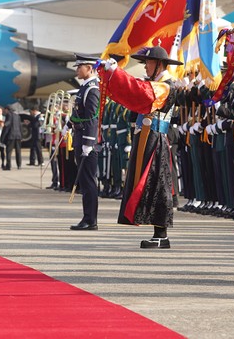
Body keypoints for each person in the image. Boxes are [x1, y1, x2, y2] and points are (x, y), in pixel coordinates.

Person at [101, 46, 181, 248]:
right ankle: (158, 233)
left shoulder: (166, 86)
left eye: (149, 63)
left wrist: (117, 73)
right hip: (148, 137)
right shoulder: (155, 83)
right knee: (151, 184)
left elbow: (141, 93)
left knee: (158, 185)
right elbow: (132, 94)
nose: (145, 66)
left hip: (156, 139)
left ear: (159, 65)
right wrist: (113, 74)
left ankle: (161, 234)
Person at [69, 54, 101, 230]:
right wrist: (69, 122)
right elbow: (79, 112)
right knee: (84, 180)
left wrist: (88, 142)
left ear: (89, 68)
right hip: (80, 137)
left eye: (79, 66)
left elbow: (91, 117)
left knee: (88, 181)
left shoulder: (92, 89)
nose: (77, 70)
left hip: (87, 141)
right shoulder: (84, 88)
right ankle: (87, 217)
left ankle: (90, 219)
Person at [4, 104, 23, 170]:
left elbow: (7, 125)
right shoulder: (17, 116)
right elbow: (20, 126)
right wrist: (21, 136)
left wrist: (3, 136)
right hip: (18, 136)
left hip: (11, 136)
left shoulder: (9, 115)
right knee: (18, 151)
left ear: (7, 109)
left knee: (9, 151)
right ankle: (19, 165)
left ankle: (8, 165)